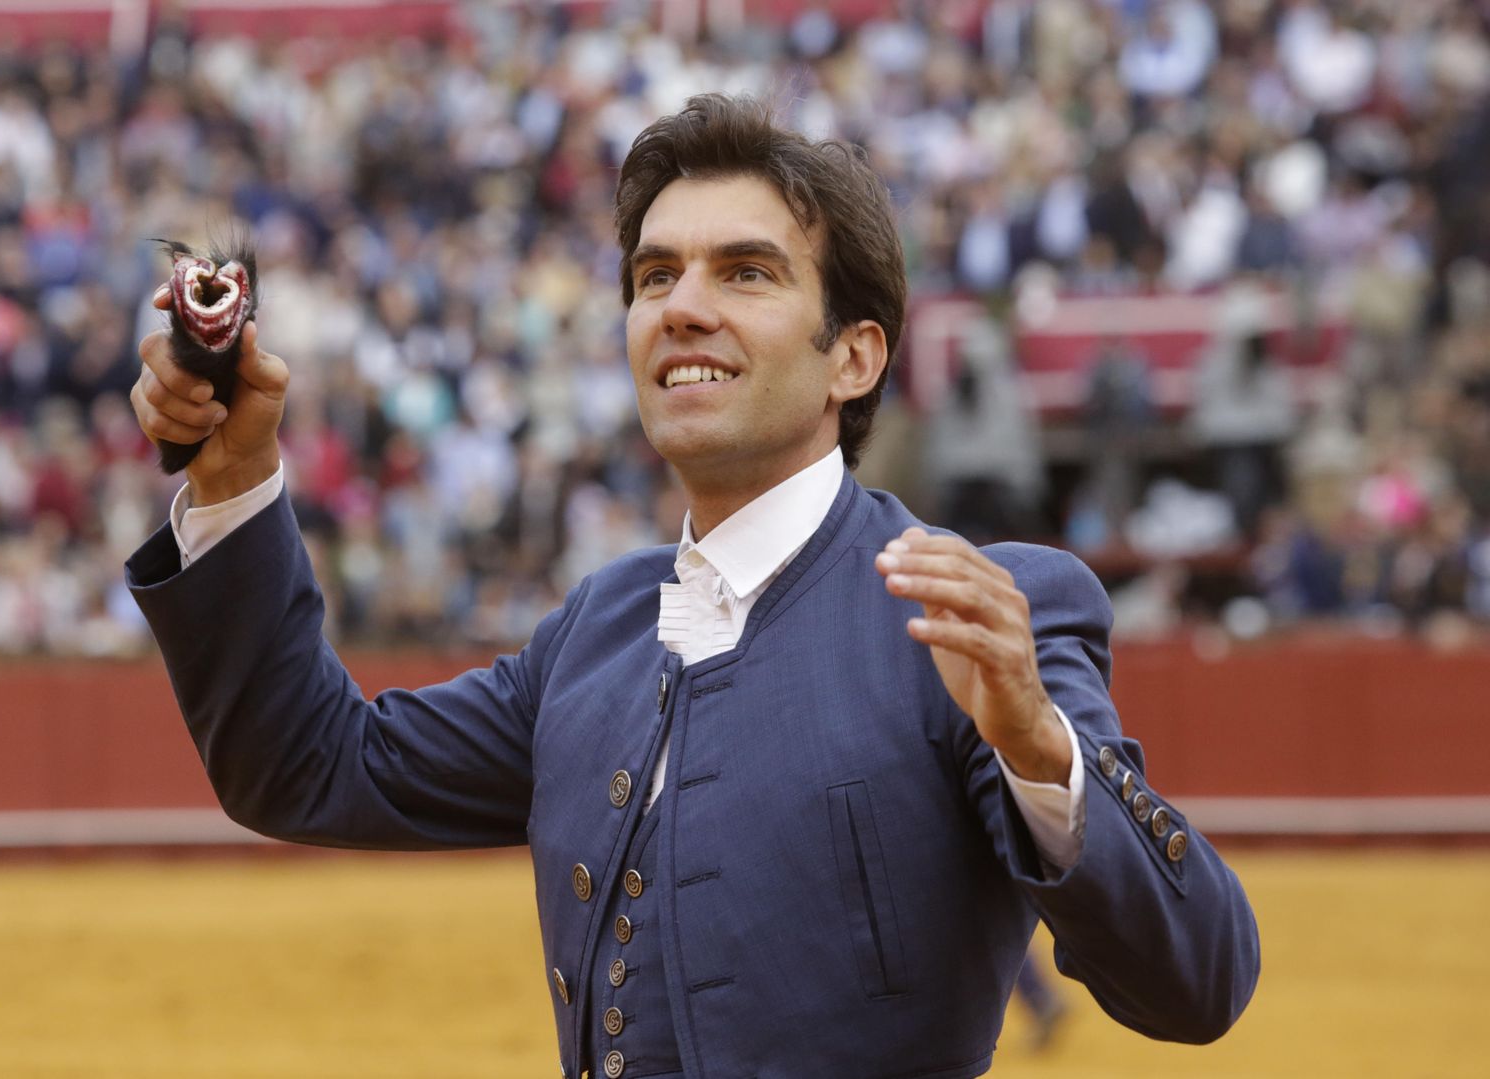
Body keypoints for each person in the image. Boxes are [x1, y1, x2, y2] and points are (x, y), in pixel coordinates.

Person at [127, 95, 1258, 1079]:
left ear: (852, 357)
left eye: (746, 272)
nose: (681, 305)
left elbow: (1197, 978)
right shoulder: (596, 631)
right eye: (654, 274)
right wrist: (233, 476)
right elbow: (311, 768)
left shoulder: (974, 605)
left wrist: (1034, 742)